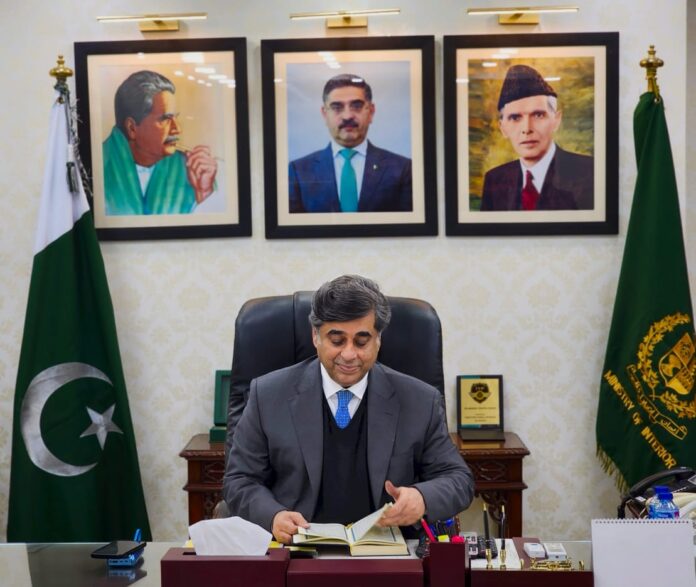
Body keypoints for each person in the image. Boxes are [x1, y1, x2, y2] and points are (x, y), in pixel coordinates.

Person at [224, 275, 474, 544]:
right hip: (299, 549)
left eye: (361, 341)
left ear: (378, 339)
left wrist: (422, 497)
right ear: (315, 336)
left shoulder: (419, 400)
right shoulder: (267, 395)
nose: (349, 354)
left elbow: (459, 480)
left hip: (388, 552)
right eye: (337, 340)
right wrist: (273, 516)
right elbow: (239, 480)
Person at [289, 74, 413, 213]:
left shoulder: (403, 169)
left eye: (357, 106)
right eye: (337, 107)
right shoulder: (298, 172)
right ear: (324, 114)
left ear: (371, 112)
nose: (347, 116)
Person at [480, 64, 594, 211]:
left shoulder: (591, 172)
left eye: (538, 115)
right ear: (503, 128)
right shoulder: (494, 180)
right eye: (515, 118)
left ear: (556, 120)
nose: (527, 129)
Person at [102, 70, 218, 215]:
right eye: (165, 119)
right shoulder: (97, 166)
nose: (177, 129)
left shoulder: (193, 170)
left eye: (175, 118)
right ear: (132, 128)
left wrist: (204, 192)